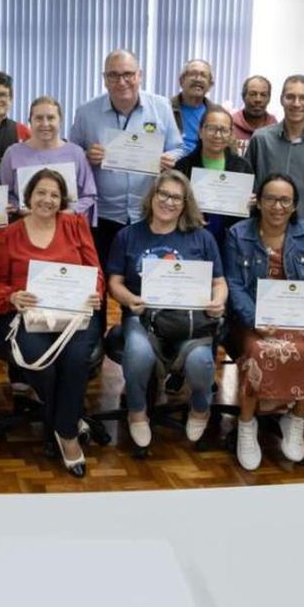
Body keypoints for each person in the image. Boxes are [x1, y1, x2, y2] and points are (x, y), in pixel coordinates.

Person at [0, 168, 103, 477]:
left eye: (54, 194)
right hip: (28, 317)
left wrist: (94, 293)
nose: (47, 199)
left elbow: (96, 273)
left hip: (75, 316)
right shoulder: (6, 235)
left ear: (62, 199)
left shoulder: (76, 225)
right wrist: (12, 296)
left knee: (77, 359)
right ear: (28, 195)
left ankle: (65, 434)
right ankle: (69, 419)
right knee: (41, 362)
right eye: (41, 192)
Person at [105, 171, 227, 451]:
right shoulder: (128, 236)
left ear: (186, 203)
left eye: (176, 197)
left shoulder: (202, 238)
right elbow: (115, 282)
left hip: (191, 320)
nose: (169, 202)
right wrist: (129, 299)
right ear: (152, 195)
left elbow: (219, 282)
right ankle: (137, 411)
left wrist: (218, 301)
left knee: (200, 363)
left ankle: (200, 407)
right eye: (164, 194)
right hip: (143, 316)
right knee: (137, 353)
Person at [223, 175, 304, 471]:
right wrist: (254, 320)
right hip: (254, 319)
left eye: (285, 200)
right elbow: (234, 286)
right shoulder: (238, 234)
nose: (277, 206)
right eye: (271, 199)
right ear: (258, 202)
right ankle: (247, 425)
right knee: (260, 352)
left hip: (300, 318)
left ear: (294, 205)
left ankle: (296, 418)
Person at [69, 49, 181, 279]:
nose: (121, 82)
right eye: (113, 75)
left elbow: (178, 147)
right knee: (100, 279)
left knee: (142, 279)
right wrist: (86, 154)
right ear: (104, 79)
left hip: (148, 214)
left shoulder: (160, 107)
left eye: (128, 74)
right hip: (103, 216)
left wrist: (170, 159)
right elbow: (71, 153)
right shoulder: (86, 112)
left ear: (139, 75)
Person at [246, 75, 304, 225]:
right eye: (290, 97)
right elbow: (246, 184)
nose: (296, 104)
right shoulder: (261, 139)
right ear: (281, 99)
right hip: (262, 228)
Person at [2, 95, 97, 219]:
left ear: (60, 120)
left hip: (66, 227)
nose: (45, 124)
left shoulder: (76, 153)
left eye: (51, 118)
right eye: (39, 118)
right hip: (25, 226)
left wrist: (71, 211)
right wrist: (19, 209)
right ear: (30, 121)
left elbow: (89, 195)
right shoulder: (12, 153)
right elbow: (6, 193)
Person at [172, 104, 254, 246]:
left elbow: (250, 212)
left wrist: (251, 203)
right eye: (211, 128)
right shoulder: (183, 166)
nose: (217, 135)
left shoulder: (242, 167)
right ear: (200, 131)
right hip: (190, 237)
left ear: (230, 134)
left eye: (223, 130)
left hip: (232, 240)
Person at [169, 58, 216, 153]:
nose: (198, 79)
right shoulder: (165, 108)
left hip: (203, 166)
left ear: (210, 85)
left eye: (203, 75)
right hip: (171, 164)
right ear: (182, 81)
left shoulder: (217, 113)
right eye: (193, 74)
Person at [230, 75, 278, 155]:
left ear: (269, 98)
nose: (258, 100)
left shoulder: (276, 131)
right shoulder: (229, 127)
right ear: (243, 97)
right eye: (253, 94)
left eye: (263, 95)